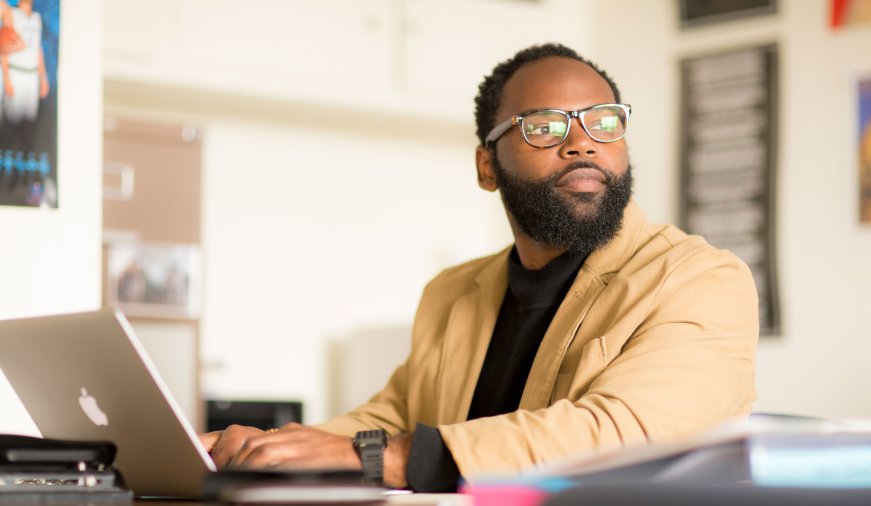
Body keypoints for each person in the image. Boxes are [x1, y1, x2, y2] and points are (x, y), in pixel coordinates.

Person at [201, 43, 759, 492]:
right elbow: (394, 415)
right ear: (487, 166)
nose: (582, 145)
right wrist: (255, 446)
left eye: (604, 122)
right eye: (544, 126)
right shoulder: (452, 293)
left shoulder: (700, 280)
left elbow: (622, 436)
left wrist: (376, 457)